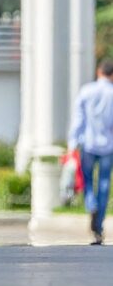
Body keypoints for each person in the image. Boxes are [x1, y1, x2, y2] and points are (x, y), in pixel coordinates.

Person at [67, 59, 113, 246]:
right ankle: (99, 225)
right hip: (108, 147)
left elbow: (79, 120)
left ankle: (91, 204)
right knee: (104, 184)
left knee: (86, 179)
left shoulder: (86, 91)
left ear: (98, 72)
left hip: (88, 145)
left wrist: (72, 144)